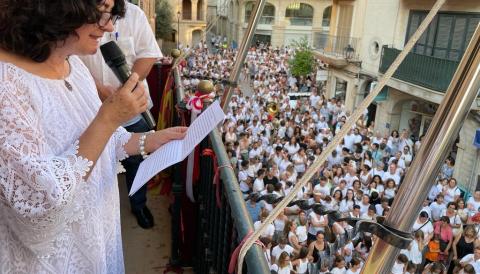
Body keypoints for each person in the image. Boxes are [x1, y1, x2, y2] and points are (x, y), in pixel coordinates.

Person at [0, 0, 187, 272]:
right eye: (100, 14)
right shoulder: (6, 84)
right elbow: (38, 209)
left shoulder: (74, 66)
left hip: (98, 241)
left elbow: (98, 143)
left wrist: (149, 140)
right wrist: (108, 117)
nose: (110, 26)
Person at [80, 0, 162, 229]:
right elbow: (72, 60)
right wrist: (100, 90)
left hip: (133, 108)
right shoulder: (77, 17)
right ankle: (98, 214)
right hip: (90, 107)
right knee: (94, 161)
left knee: (138, 161)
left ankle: (139, 205)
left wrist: (127, 89)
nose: (106, 26)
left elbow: (148, 55)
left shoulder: (134, 15)